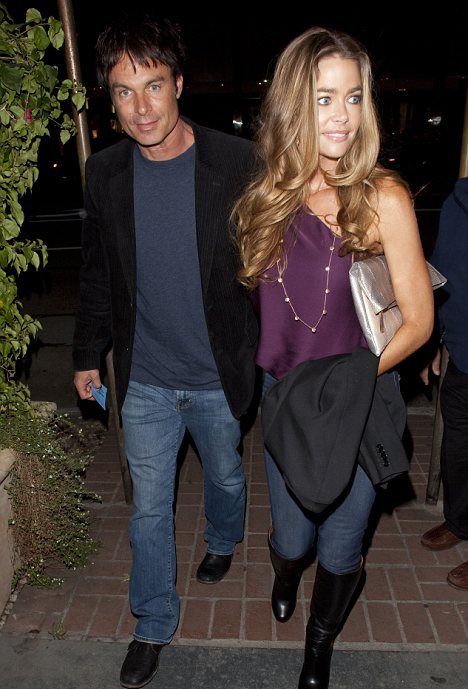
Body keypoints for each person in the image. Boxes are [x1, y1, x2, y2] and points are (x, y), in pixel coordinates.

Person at [233, 27, 434, 689]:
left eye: (353, 97)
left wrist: (353, 375)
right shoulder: (267, 198)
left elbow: (419, 320)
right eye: (324, 98)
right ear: (294, 104)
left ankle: (318, 646)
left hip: (353, 401)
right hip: (285, 400)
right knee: (294, 539)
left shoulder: (382, 198)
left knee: (343, 546)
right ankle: (285, 570)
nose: (343, 115)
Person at [72, 14, 258, 689]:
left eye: (153, 86)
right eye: (124, 92)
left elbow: (268, 263)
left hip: (216, 373)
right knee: (149, 509)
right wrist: (87, 351)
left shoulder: (235, 162)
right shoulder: (105, 172)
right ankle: (152, 622)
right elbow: (98, 273)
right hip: (146, 377)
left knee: (226, 477)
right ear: (111, 99)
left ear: (178, 83)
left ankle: (223, 538)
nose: (141, 107)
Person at [420, 177, 468, 589]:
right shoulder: (457, 201)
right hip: (462, 352)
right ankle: (460, 520)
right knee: (458, 449)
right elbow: (443, 277)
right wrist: (436, 339)